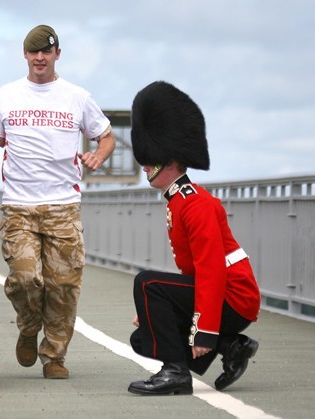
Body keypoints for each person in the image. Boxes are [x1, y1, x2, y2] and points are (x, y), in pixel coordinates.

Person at [0, 24, 115, 379]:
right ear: (25, 55)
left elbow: (106, 136)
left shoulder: (76, 96)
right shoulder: (8, 94)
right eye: (34, 52)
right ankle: (28, 326)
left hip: (62, 207)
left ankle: (54, 356)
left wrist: (99, 156)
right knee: (26, 279)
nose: (40, 58)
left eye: (47, 52)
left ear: (57, 55)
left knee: (64, 287)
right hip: (19, 206)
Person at [126, 81, 260, 395]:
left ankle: (176, 374)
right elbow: (194, 271)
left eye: (152, 158)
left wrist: (203, 332)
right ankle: (231, 347)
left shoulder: (196, 203)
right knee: (142, 337)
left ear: (171, 160)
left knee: (147, 282)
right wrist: (150, 309)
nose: (145, 165)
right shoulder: (179, 200)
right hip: (221, 293)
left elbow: (212, 271)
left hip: (235, 297)